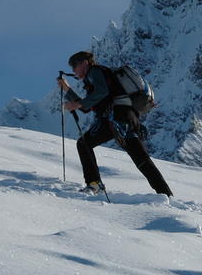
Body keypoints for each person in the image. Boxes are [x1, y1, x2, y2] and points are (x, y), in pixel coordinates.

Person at [57, 51, 173, 198]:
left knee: (84, 144)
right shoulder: (101, 75)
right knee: (141, 159)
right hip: (128, 118)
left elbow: (100, 93)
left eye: (74, 66)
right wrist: (68, 90)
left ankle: (94, 184)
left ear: (85, 63)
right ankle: (165, 194)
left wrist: (77, 103)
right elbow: (88, 106)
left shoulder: (95, 71)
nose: (73, 70)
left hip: (113, 117)